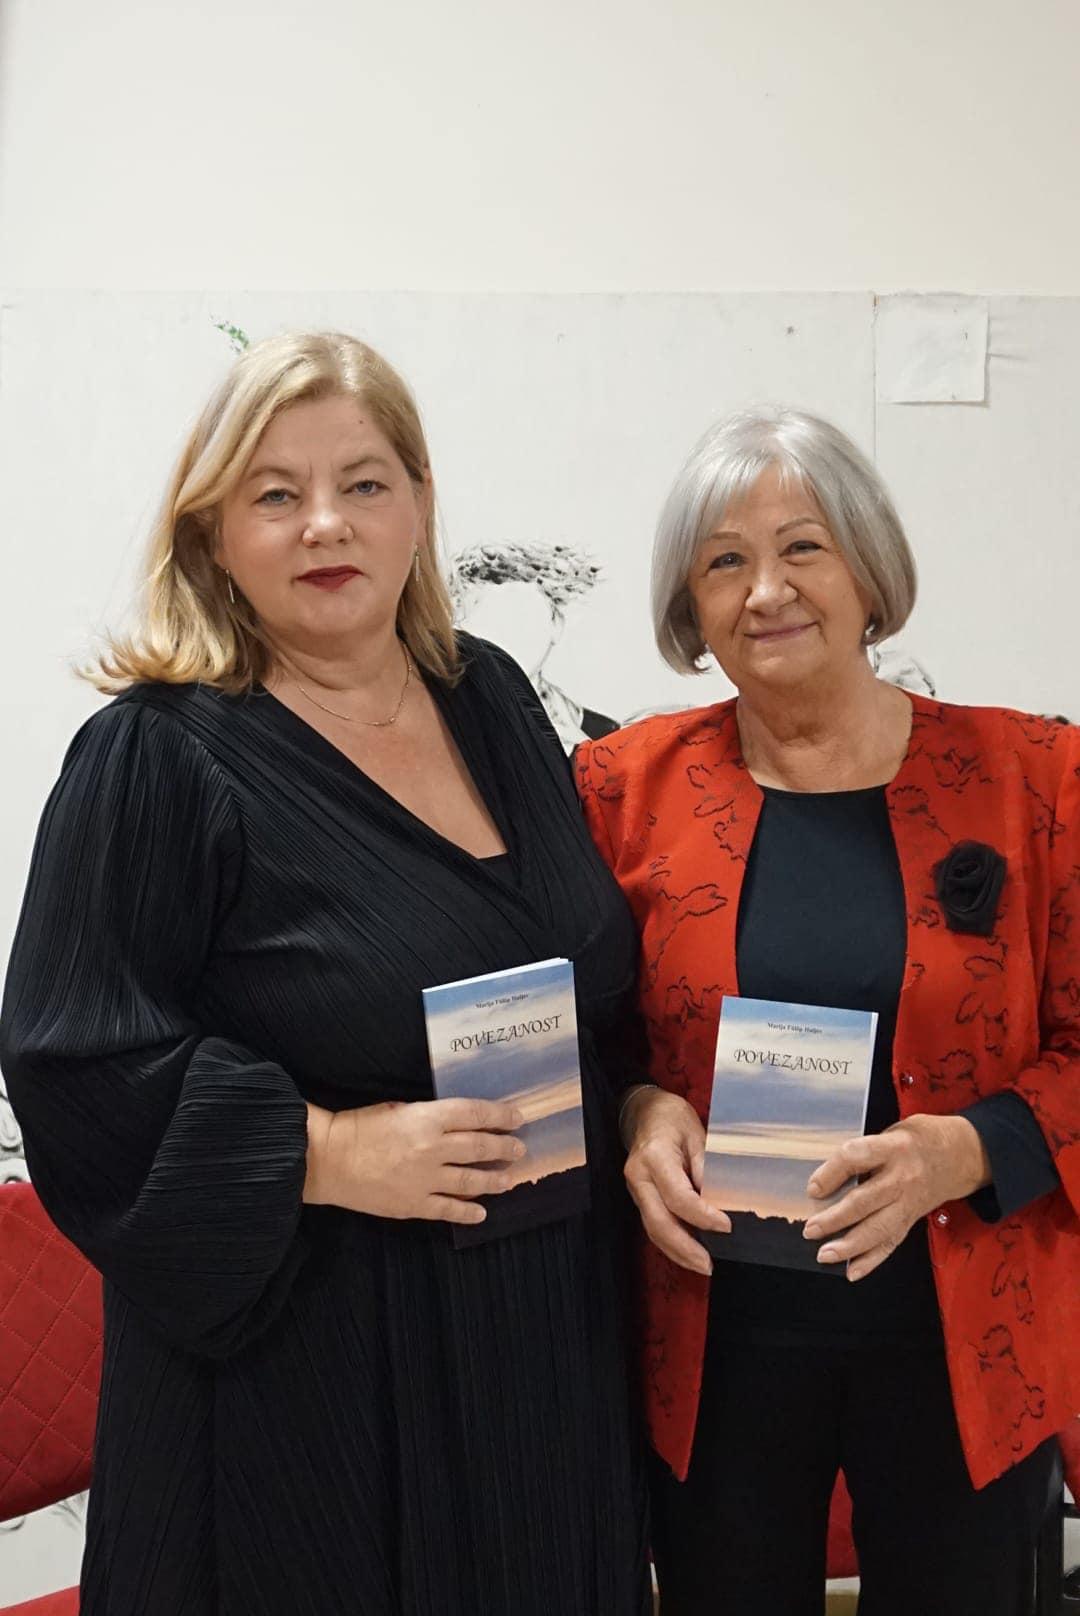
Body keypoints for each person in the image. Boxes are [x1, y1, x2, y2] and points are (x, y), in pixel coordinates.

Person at [1, 332, 650, 1616]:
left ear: (418, 502)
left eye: (362, 482)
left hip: (536, 1337)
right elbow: (74, 1059)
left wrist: (638, 1100)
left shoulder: (489, 697)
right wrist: (327, 1151)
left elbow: (584, 975)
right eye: (275, 493)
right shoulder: (157, 755)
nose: (324, 524)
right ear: (212, 533)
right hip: (305, 1376)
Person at [574, 407, 1080, 1616]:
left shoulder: (1036, 778)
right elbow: (590, 1034)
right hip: (716, 1336)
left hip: (964, 1334)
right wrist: (639, 1109)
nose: (767, 591)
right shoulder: (620, 789)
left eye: (803, 546)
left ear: (868, 570)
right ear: (691, 605)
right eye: (724, 560)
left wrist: (971, 1145)